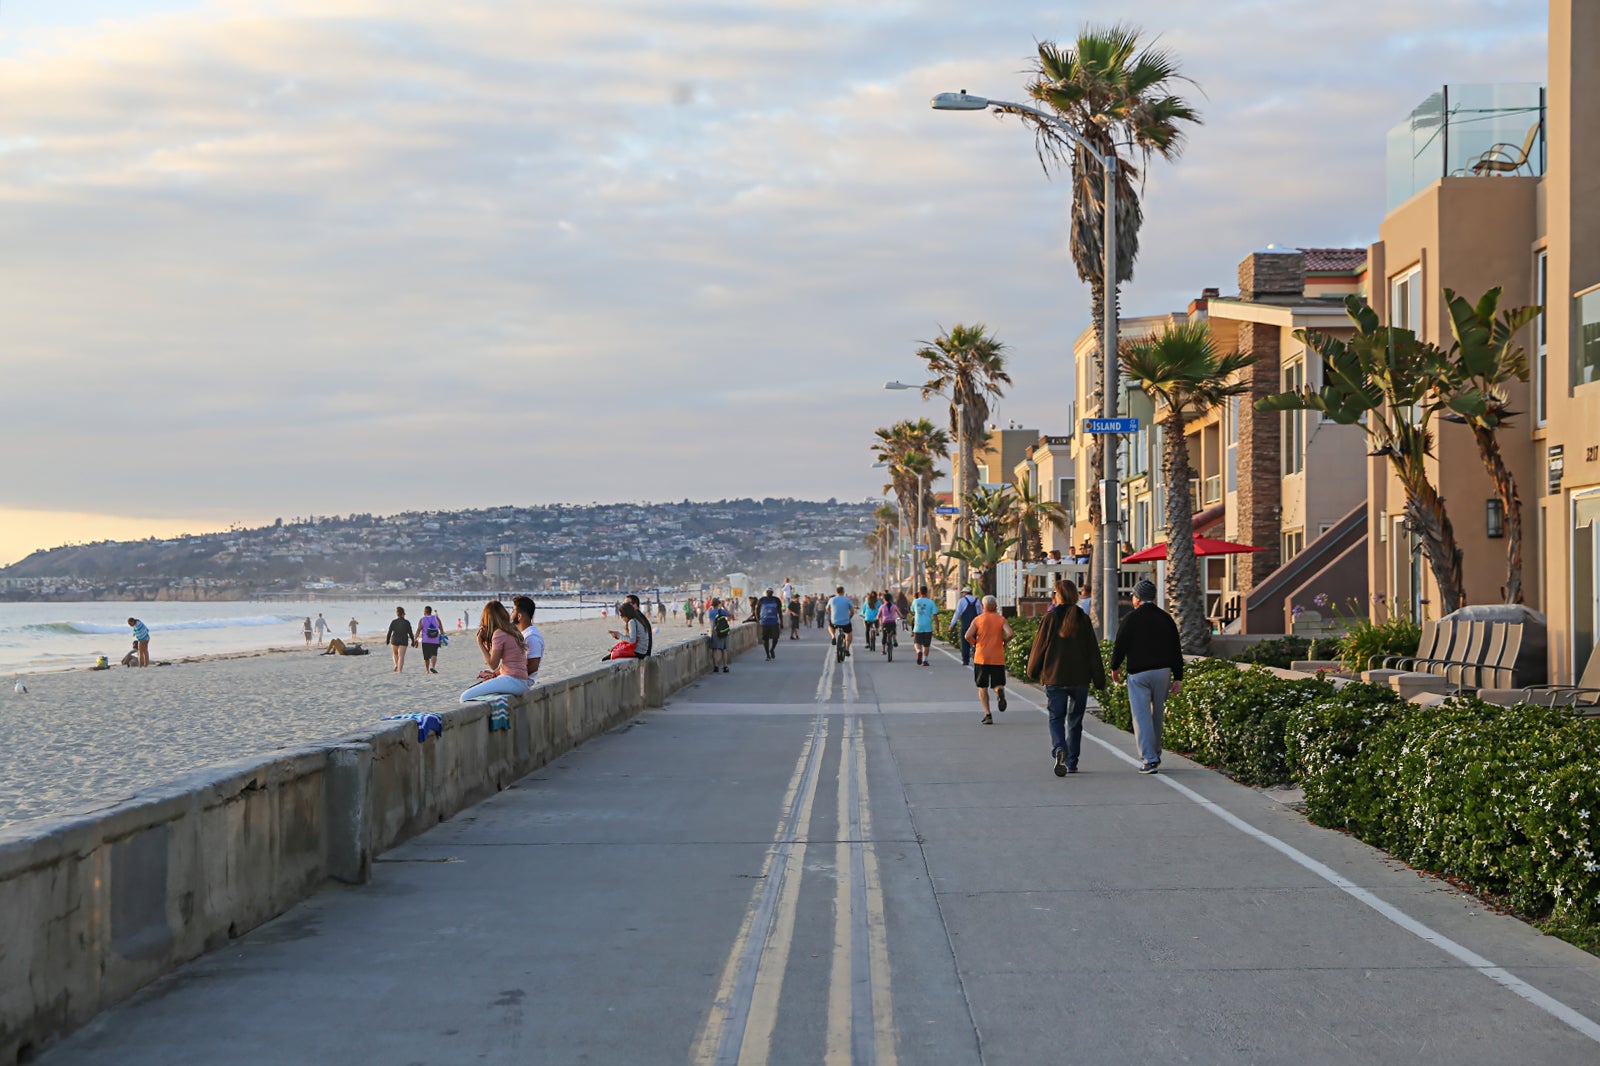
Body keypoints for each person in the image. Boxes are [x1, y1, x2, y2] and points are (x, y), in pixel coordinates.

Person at [1028, 579, 1106, 776]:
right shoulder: (1083, 618)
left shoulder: (1050, 617)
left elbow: (1039, 647)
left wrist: (1032, 671)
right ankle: (1071, 762)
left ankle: (1059, 748)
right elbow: (1092, 651)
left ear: (1058, 596)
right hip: (1080, 679)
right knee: (1075, 721)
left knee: (1056, 718)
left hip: (1055, 677)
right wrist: (1099, 679)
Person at [1111, 579, 1185, 774]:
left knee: (1141, 715)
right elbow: (1175, 648)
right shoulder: (1165, 618)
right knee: (1157, 714)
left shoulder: (1130, 619)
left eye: (1134, 596)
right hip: (1162, 672)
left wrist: (1115, 667)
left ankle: (1149, 759)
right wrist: (1178, 677)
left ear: (1137, 598)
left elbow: (1120, 645)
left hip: (1138, 673)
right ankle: (1156, 753)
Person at [460, 600, 531, 701]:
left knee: (465, 697)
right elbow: (511, 661)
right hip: (521, 681)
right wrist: (494, 675)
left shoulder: (499, 633)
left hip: (512, 680)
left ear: (488, 619)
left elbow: (493, 664)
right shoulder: (512, 629)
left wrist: (480, 643)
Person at [964, 595, 1013, 724]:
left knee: (982, 686)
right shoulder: (1001, 619)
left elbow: (967, 635)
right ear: (995, 606)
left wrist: (975, 643)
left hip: (981, 657)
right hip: (997, 656)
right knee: (997, 683)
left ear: (983, 606)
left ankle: (988, 714)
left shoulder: (978, 619)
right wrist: (1004, 642)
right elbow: (1010, 633)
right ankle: (999, 691)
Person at [512, 596, 545, 684]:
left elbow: (533, 666)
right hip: (514, 678)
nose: (511, 614)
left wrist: (510, 675)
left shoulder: (531, 636)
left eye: (513, 610)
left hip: (520, 681)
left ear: (519, 616)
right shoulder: (524, 634)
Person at [951, 588, 982, 666]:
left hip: (965, 625)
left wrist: (952, 624)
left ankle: (965, 660)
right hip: (975, 625)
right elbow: (980, 613)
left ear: (965, 593)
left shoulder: (962, 601)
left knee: (965, 642)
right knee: (975, 642)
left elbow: (957, 613)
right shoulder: (977, 601)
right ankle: (976, 658)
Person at [910, 586, 938, 667]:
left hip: (918, 626)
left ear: (920, 592)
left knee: (916, 642)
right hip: (928, 626)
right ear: (926, 592)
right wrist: (937, 625)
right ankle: (925, 660)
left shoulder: (915, 601)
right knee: (926, 645)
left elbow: (912, 611)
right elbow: (935, 615)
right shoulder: (931, 602)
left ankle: (918, 651)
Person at [415, 605, 445, 674]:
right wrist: (442, 635)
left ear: (425, 611)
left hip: (425, 640)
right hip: (435, 639)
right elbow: (441, 628)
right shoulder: (436, 618)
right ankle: (433, 667)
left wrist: (415, 638)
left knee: (426, 656)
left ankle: (427, 670)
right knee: (434, 653)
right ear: (430, 611)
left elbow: (419, 629)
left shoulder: (422, 619)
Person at [827, 585, 855, 656]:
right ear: (843, 592)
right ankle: (847, 649)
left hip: (834, 621)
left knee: (830, 626)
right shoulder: (847, 600)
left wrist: (831, 612)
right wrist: (850, 617)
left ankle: (833, 636)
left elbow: (827, 608)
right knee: (849, 633)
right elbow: (852, 612)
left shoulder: (832, 599)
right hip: (845, 622)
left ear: (836, 592)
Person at [707, 597, 733, 673]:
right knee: (723, 649)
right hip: (722, 632)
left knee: (714, 650)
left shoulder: (710, 612)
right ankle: (725, 666)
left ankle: (716, 666)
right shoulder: (720, 611)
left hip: (714, 632)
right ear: (718, 604)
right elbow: (729, 614)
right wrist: (723, 606)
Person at [757, 587, 784, 660]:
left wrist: (781, 622)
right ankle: (767, 655)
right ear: (766, 592)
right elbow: (757, 610)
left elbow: (780, 612)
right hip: (764, 623)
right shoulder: (762, 600)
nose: (769, 593)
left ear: (772, 593)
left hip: (774, 622)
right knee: (765, 639)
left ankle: (772, 649)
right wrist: (758, 619)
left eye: (770, 592)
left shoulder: (776, 600)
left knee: (776, 637)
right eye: (767, 592)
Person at [386, 607, 414, 673]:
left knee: (395, 654)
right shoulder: (407, 622)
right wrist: (413, 641)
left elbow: (389, 632)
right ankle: (400, 670)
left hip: (394, 639)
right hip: (403, 640)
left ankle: (396, 664)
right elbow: (410, 632)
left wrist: (387, 640)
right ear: (403, 614)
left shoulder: (393, 622)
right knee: (401, 656)